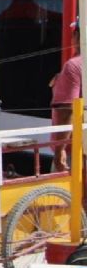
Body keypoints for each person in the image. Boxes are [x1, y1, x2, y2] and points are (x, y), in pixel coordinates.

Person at [51, 22, 82, 171]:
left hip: (75, 151)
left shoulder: (74, 66)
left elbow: (67, 110)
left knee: (61, 194)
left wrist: (60, 150)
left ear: (76, 37)